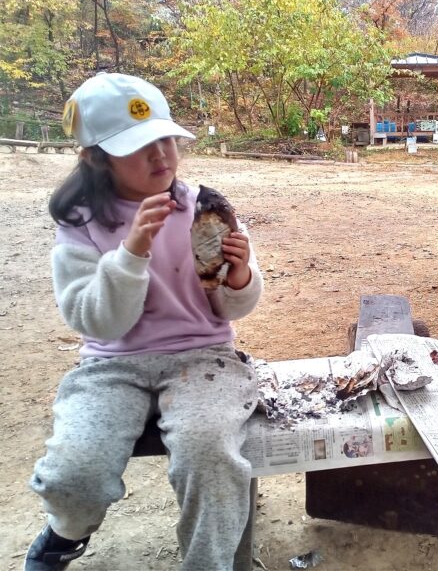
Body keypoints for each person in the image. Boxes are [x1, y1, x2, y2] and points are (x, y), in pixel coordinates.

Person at [26, 73, 263, 571]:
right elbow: (97, 321)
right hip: (113, 363)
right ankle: (66, 533)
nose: (161, 156)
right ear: (94, 156)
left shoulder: (204, 207)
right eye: (140, 147)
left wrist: (239, 277)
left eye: (167, 141)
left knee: (211, 455)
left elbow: (232, 307)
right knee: (76, 473)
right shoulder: (83, 221)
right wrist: (131, 253)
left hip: (205, 358)